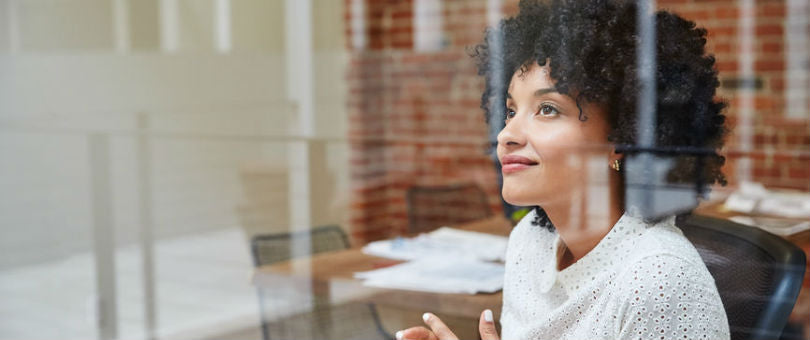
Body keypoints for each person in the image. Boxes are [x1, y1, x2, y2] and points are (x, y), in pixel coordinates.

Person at [396, 0, 730, 339]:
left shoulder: (659, 280)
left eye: (547, 109)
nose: (506, 134)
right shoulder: (530, 240)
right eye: (511, 110)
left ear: (624, 138)